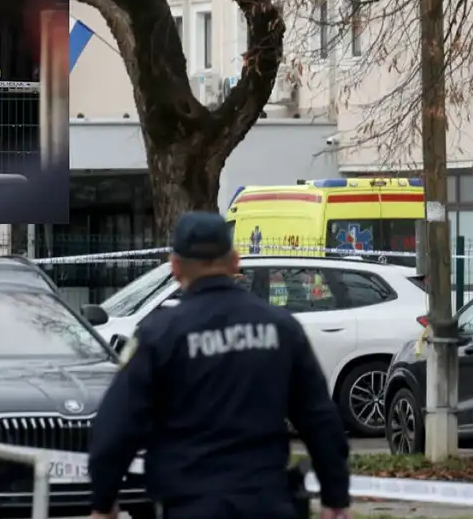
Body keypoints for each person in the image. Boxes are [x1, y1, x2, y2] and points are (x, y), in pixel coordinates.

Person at [88, 211, 351, 519]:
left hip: (191, 505)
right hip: (267, 502)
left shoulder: (159, 335)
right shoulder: (281, 328)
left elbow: (116, 427)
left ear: (175, 267)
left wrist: (103, 501)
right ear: (235, 261)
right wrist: (335, 496)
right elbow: (320, 419)